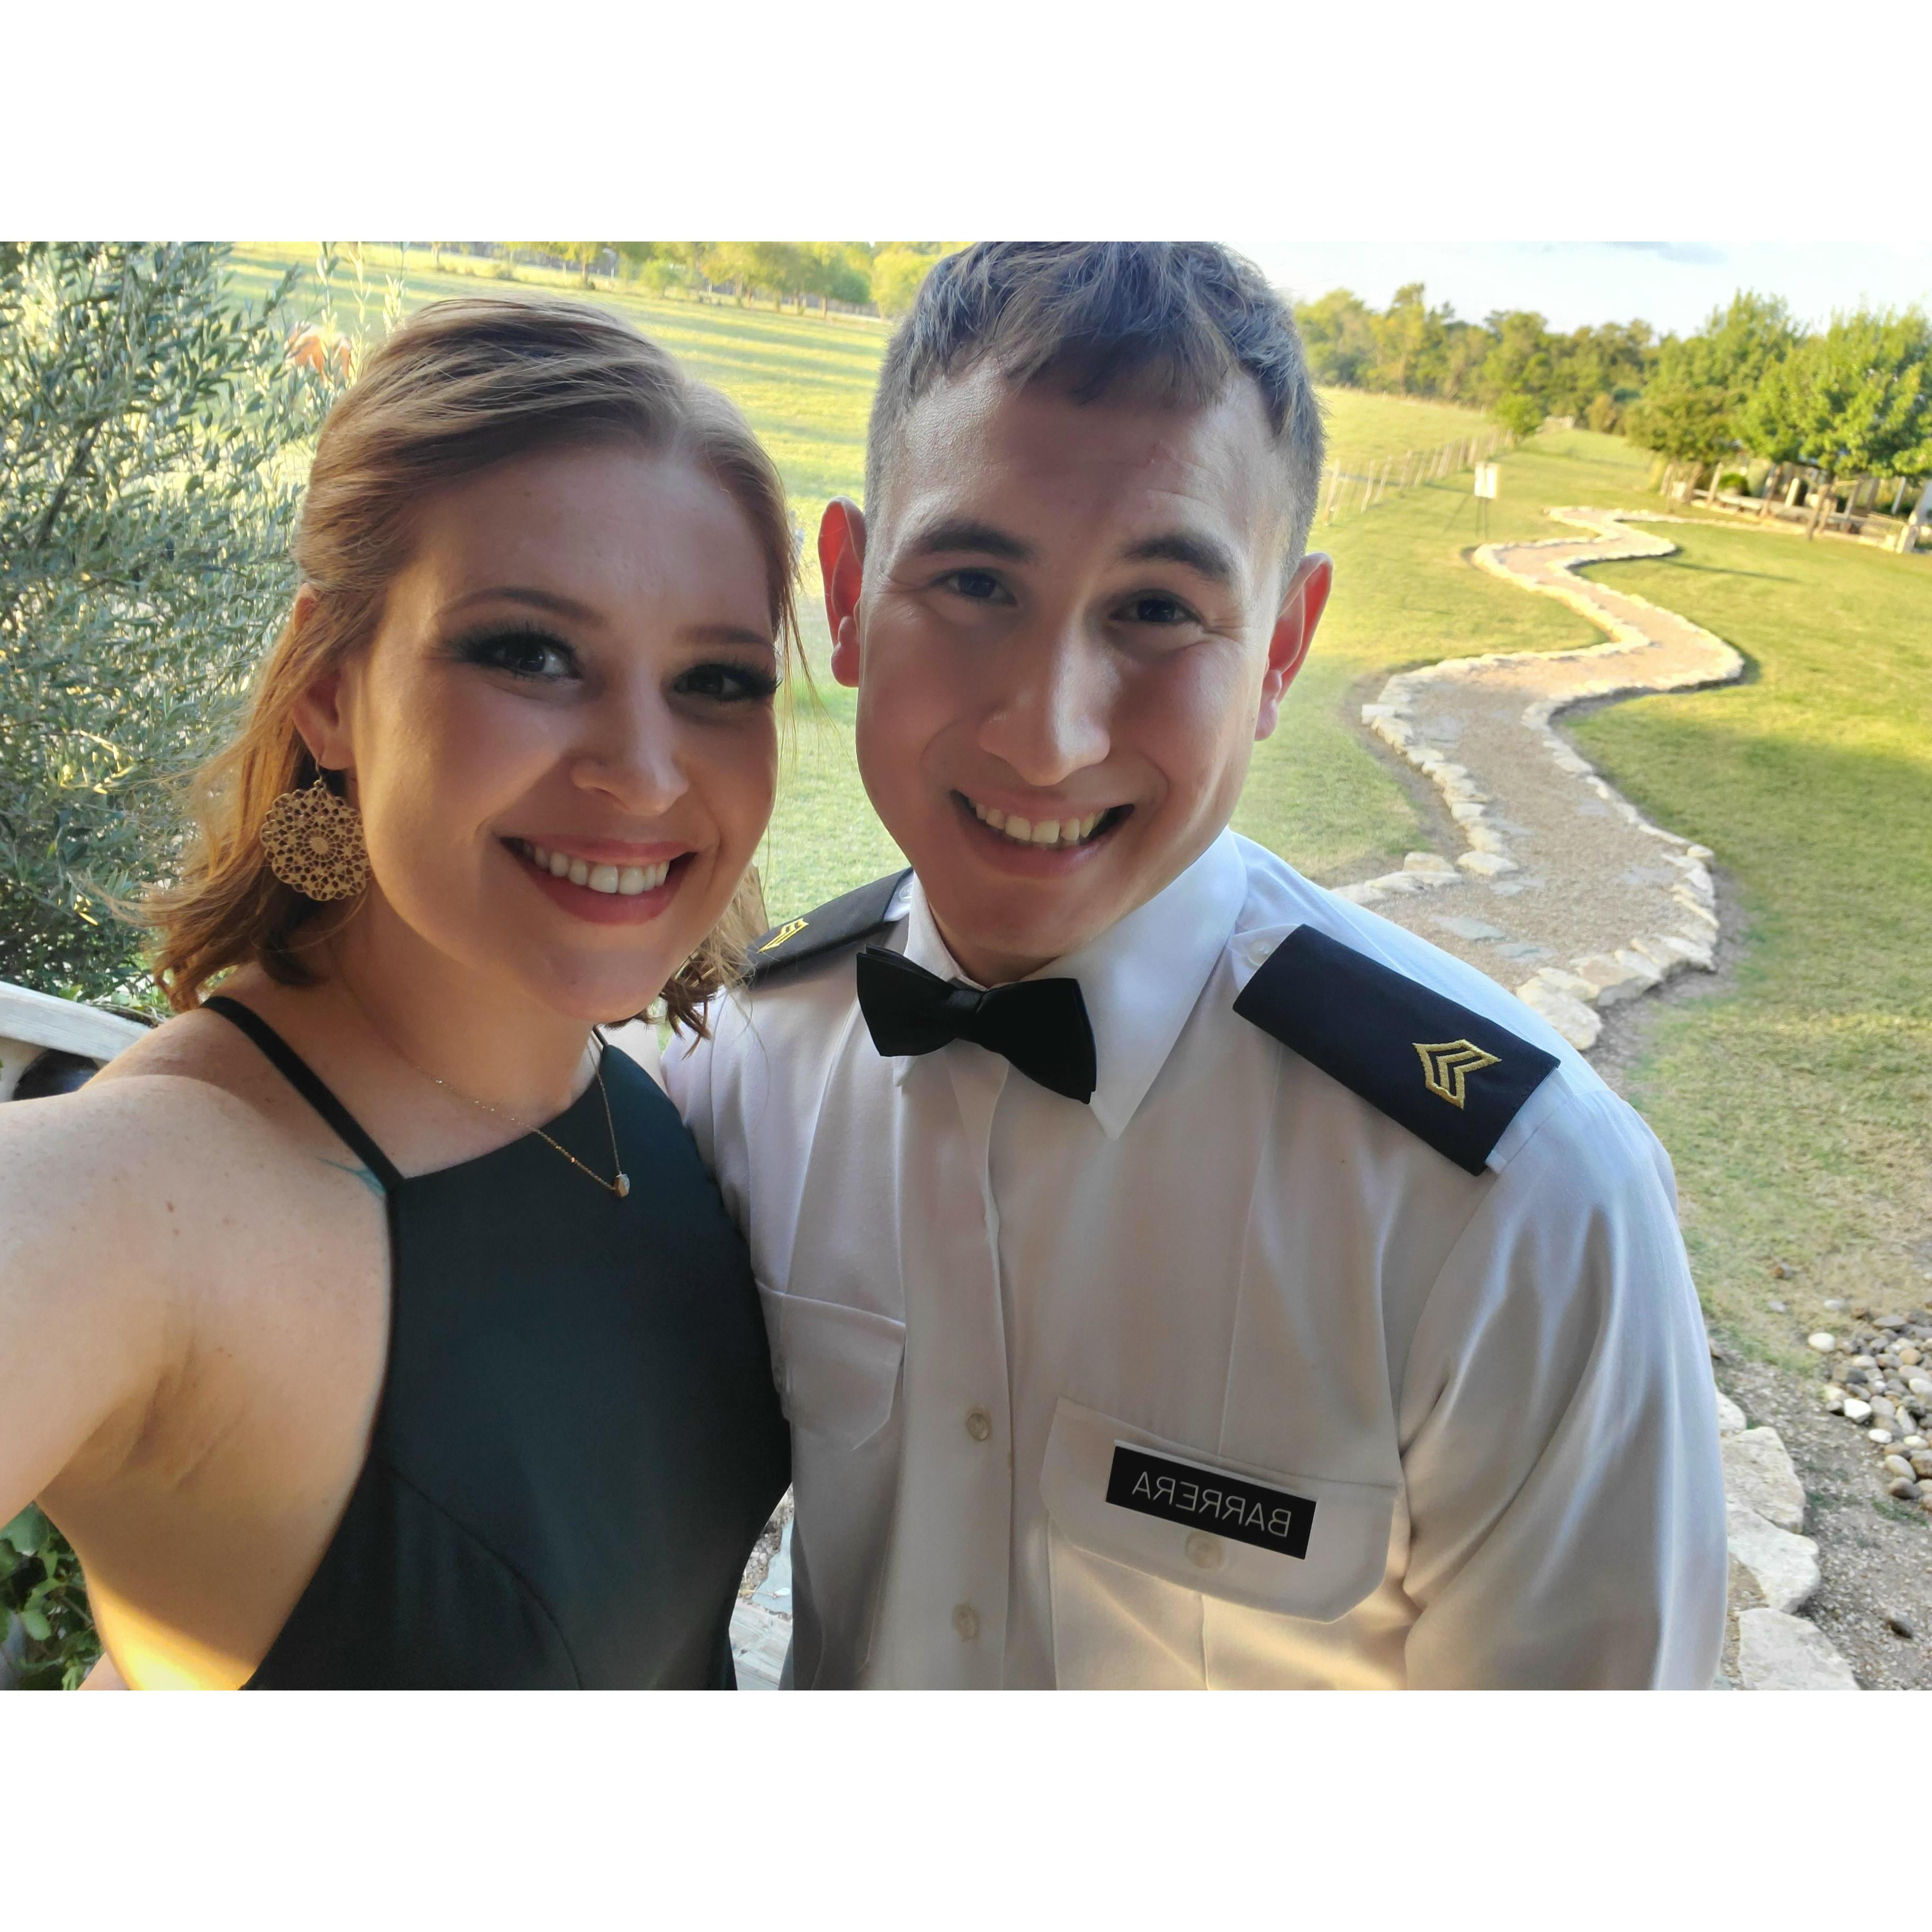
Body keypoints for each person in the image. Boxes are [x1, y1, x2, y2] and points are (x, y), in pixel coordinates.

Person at [665, 242, 1727, 1689]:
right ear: (848, 596)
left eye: (1160, 610)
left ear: (1282, 649)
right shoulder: (753, 1067)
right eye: (974, 579)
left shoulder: (1523, 1212)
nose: (1049, 734)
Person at [0, 298, 791, 1688]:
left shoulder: (635, 1097)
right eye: (532, 653)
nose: (649, 772)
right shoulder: (153, 1198)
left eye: (717, 679)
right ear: (327, 687)